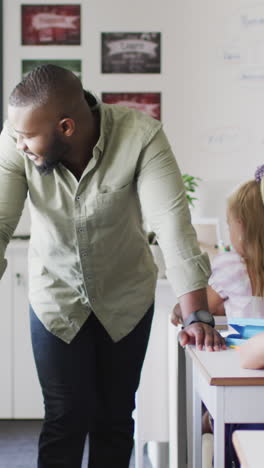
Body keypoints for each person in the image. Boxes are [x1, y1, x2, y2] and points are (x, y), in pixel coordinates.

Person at [0, 64, 225, 468]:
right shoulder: (16, 140)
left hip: (126, 299)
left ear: (66, 127)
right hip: (55, 299)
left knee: (114, 420)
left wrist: (197, 314)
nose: (19, 144)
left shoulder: (141, 137)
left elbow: (171, 225)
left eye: (28, 136)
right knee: (64, 419)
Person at [172, 166, 264, 468]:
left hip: (242, 373)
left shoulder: (231, 266)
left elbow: (199, 308)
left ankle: (210, 431)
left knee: (207, 407)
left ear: (240, 226)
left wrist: (183, 307)